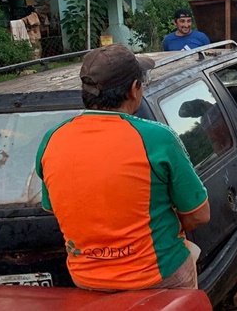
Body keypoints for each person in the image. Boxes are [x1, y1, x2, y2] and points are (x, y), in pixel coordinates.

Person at [36, 44, 210, 291]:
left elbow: (55, 207)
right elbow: (199, 214)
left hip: (86, 279)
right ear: (133, 89)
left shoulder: (52, 139)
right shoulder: (157, 138)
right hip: (156, 276)